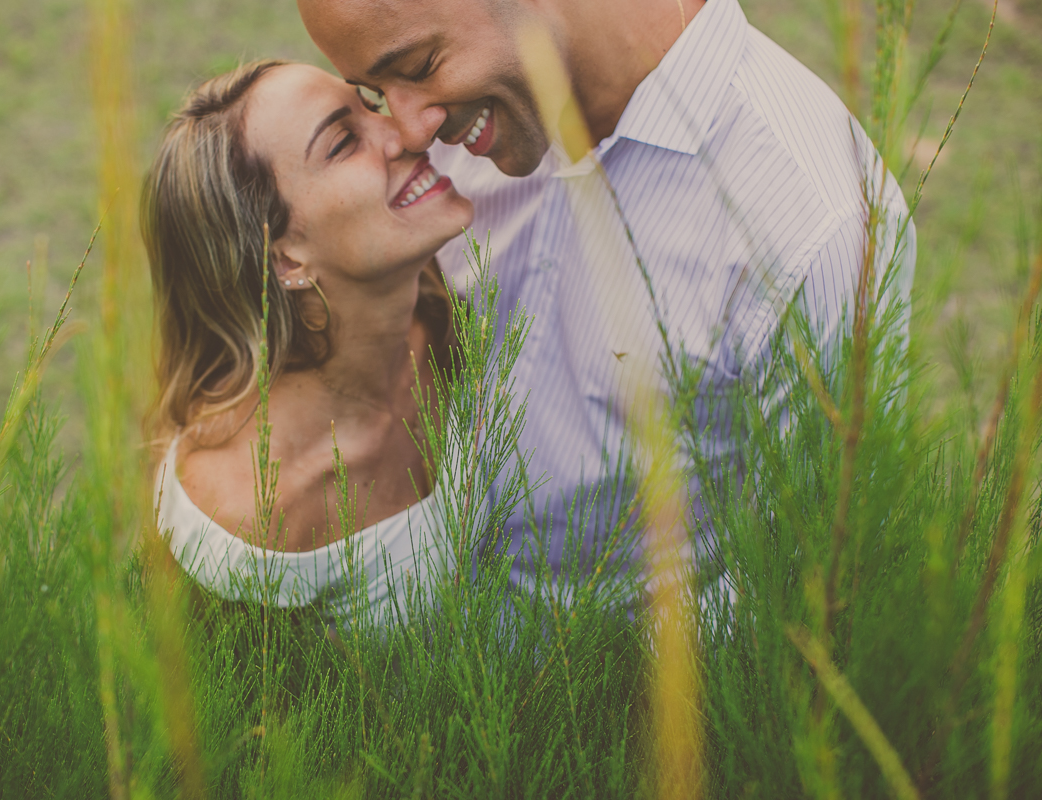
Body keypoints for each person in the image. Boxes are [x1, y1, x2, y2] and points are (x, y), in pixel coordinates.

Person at [298, 0, 917, 585]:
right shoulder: (461, 141)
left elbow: (805, 591)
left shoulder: (818, 228)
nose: (408, 131)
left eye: (419, 68)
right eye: (379, 94)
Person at [143, 60, 476, 624]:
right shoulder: (245, 521)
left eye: (370, 104)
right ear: (282, 256)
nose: (408, 131)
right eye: (344, 142)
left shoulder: (449, 309)